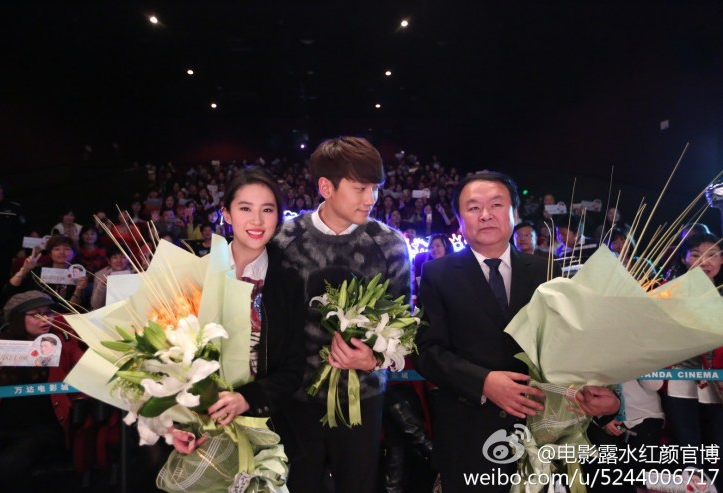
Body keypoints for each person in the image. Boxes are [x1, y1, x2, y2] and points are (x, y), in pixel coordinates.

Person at [415, 171, 619, 493]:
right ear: (460, 219)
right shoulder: (438, 274)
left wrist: (604, 395)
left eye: (496, 204)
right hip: (469, 433)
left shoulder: (545, 269)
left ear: (514, 213)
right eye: (473, 207)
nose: (485, 214)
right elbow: (428, 352)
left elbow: (569, 345)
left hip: (540, 429)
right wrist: (483, 382)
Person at [272, 136, 411, 493]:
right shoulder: (283, 241)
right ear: (326, 187)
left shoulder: (390, 244)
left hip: (362, 400)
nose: (371, 198)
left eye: (375, 188)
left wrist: (374, 358)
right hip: (295, 398)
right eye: (360, 188)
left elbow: (404, 328)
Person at [171, 168, 306, 463]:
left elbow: (296, 366)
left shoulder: (290, 281)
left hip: (268, 426)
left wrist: (248, 398)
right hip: (203, 427)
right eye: (245, 208)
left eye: (267, 210)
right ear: (227, 214)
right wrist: (175, 424)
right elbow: (169, 359)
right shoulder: (197, 275)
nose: (257, 221)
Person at [0, 291, 84, 492]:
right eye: (37, 314)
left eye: (48, 313)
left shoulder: (63, 342)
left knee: (8, 468)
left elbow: (86, 374)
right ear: (17, 317)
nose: (46, 319)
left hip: (41, 427)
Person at [662, 233, 722, 490]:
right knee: (689, 452)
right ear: (684, 259)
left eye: (712, 255)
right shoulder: (668, 292)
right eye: (696, 255)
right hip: (680, 382)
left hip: (717, 385)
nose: (705, 261)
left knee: (717, 449)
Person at [5, 235, 89, 310]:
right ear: (50, 253)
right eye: (57, 249)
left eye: (67, 249)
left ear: (74, 253)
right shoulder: (38, 270)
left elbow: (73, 308)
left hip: (65, 316)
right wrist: (24, 270)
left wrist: (78, 290)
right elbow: (9, 290)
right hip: (36, 312)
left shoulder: (78, 273)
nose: (62, 252)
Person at [0, 180, 27, 309]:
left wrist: (19, 249)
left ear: (0, 189)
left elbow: (20, 230)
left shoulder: (14, 207)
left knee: (2, 280)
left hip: (4, 251)